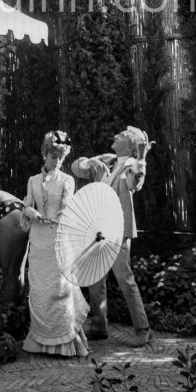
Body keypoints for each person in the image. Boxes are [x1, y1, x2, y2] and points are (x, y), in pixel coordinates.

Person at [71, 126, 154, 347]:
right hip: (99, 231)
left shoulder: (130, 165)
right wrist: (88, 163)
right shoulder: (107, 160)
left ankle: (143, 329)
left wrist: (142, 158)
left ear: (128, 144)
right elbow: (75, 168)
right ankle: (99, 326)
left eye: (120, 136)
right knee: (95, 277)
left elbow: (134, 183)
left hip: (118, 231)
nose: (114, 136)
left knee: (124, 279)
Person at [20, 131, 89, 357]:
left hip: (58, 242)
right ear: (44, 154)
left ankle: (65, 344)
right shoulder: (32, 181)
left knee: (60, 292)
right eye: (53, 156)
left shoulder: (67, 180)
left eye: (61, 157)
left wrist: (58, 215)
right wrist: (29, 211)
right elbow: (25, 211)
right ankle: (39, 342)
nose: (57, 161)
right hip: (38, 245)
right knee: (39, 292)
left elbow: (68, 207)